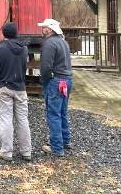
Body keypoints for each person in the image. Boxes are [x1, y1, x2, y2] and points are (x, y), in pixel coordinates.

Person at [0, 22, 32, 161]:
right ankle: (26, 152)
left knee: (6, 119)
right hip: (20, 89)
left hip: (4, 87)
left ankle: (6, 152)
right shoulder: (24, 49)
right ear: (16, 33)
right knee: (23, 120)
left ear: (3, 33)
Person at [38, 18, 73, 158]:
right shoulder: (63, 42)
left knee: (53, 114)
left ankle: (57, 147)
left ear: (50, 29)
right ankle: (66, 141)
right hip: (67, 80)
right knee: (62, 112)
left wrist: (44, 80)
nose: (42, 29)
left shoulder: (49, 43)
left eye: (44, 27)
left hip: (56, 81)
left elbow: (45, 67)